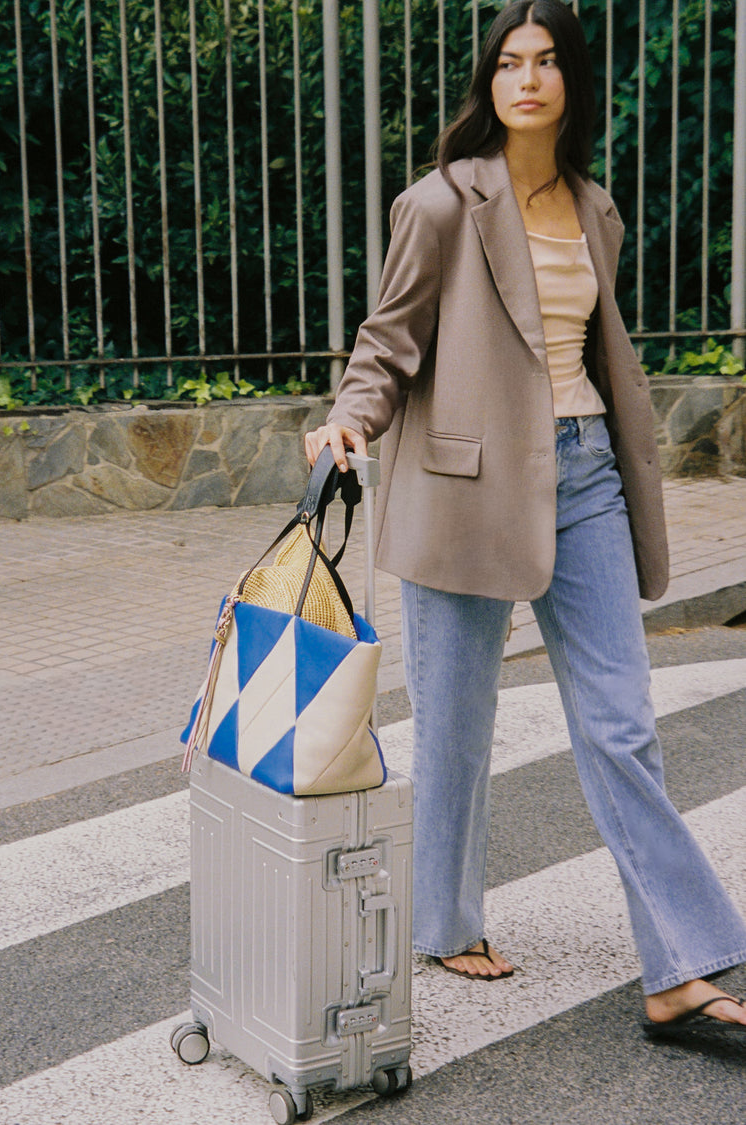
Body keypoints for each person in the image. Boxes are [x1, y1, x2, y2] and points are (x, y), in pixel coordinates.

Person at [305, 0, 746, 1037]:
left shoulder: (596, 207)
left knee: (622, 724)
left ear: (569, 82)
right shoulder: (442, 204)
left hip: (584, 472)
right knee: (455, 726)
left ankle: (680, 969)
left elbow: (584, 347)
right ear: (490, 83)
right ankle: (446, 924)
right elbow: (388, 340)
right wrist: (349, 420)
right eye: (511, 62)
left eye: (547, 61)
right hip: (467, 486)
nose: (529, 78)